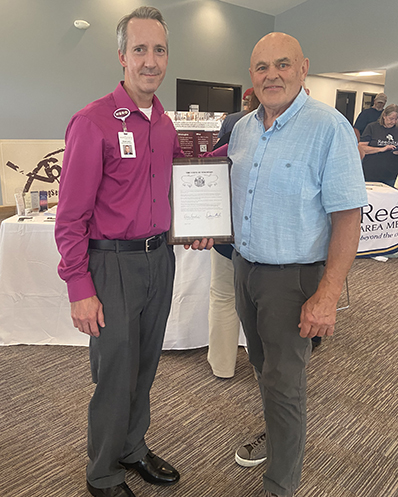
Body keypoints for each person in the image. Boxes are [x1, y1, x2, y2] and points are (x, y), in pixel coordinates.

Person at [55, 7, 212, 497]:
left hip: (157, 262)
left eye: (159, 49)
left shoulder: (164, 125)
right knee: (114, 376)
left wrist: (196, 223)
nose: (150, 60)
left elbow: (169, 194)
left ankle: (132, 448)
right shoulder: (92, 122)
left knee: (144, 366)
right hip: (111, 265)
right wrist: (80, 287)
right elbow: (70, 218)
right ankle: (102, 472)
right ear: (122, 56)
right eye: (140, 49)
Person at [227, 32, 367, 497]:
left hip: (295, 279)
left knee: (286, 383)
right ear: (252, 76)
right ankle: (277, 435)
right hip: (246, 270)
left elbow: (348, 217)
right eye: (263, 67)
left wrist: (327, 295)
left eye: (283, 65)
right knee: (264, 368)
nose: (273, 75)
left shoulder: (329, 128)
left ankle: (280, 485)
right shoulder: (244, 129)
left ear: (303, 68)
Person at [359, 103, 398, 187]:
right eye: (391, 119)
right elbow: (361, 148)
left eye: (396, 119)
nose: (393, 122)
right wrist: (382, 149)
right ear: (384, 116)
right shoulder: (372, 127)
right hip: (371, 173)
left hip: (391, 175)